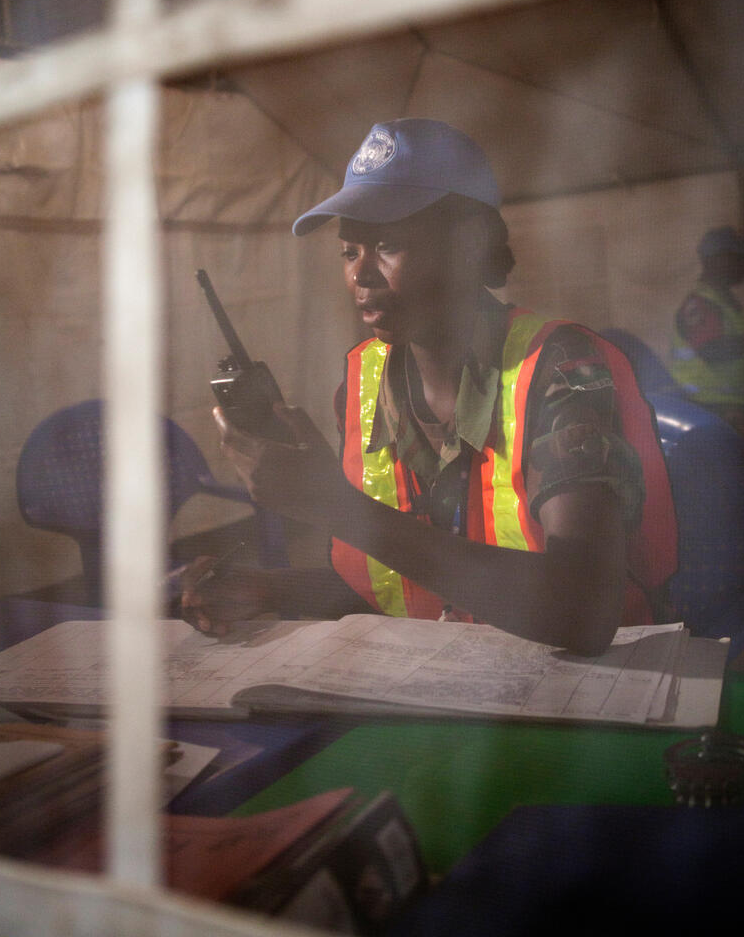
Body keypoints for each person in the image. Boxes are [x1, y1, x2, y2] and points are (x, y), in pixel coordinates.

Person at [182, 119, 677, 655]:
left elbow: (584, 613)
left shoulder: (558, 370)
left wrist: (339, 508)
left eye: (387, 245)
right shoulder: (363, 385)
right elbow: (413, 587)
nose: (361, 274)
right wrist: (270, 588)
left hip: (598, 686)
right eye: (349, 251)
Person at [669, 225, 744, 439]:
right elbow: (712, 351)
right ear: (718, 260)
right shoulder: (698, 304)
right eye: (739, 258)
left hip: (732, 404)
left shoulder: (724, 302)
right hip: (708, 409)